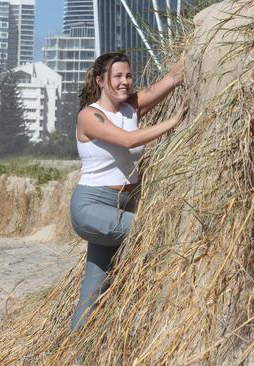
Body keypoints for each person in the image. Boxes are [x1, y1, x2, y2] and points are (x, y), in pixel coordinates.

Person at [70, 52, 188, 330]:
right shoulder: (89, 115)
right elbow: (128, 139)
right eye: (117, 77)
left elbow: (171, 79)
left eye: (129, 75)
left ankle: (75, 355)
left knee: (93, 292)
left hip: (122, 206)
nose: (125, 82)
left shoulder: (130, 108)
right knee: (147, 231)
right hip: (91, 208)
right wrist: (173, 122)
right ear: (100, 80)